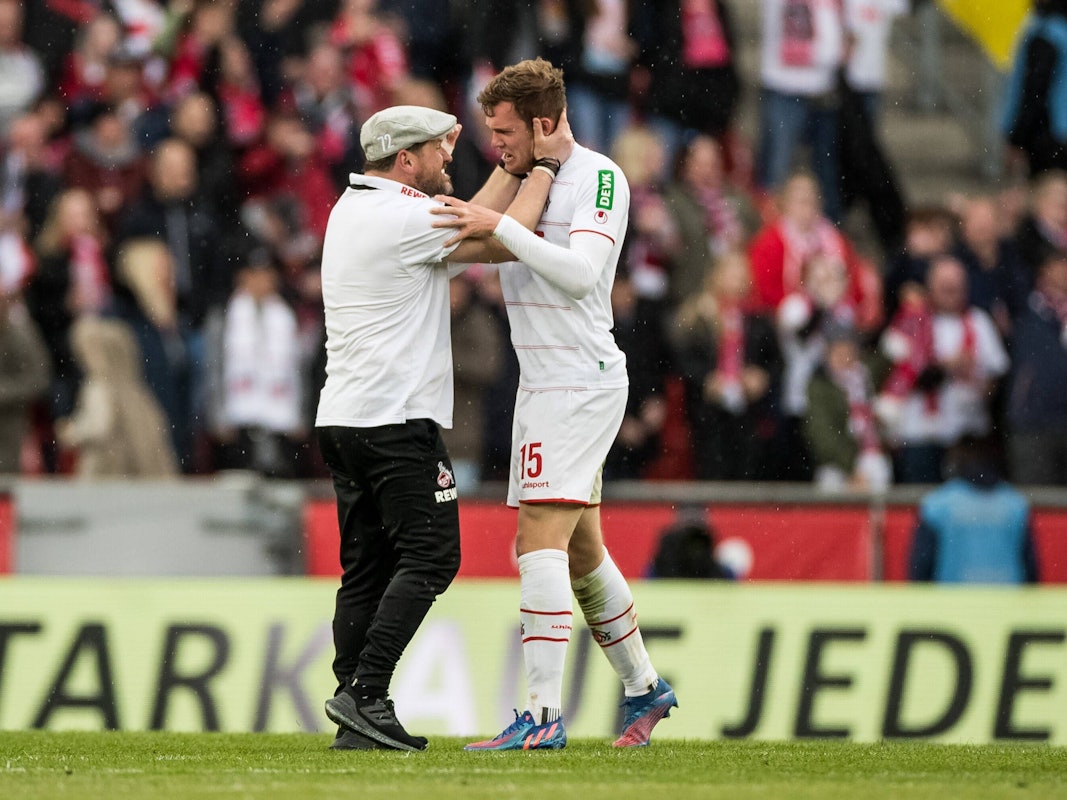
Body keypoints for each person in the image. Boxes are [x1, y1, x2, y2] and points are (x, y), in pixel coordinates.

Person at [433, 58, 678, 751]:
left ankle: (541, 716)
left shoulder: (599, 175)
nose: (496, 145)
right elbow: (462, 247)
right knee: (580, 552)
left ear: (544, 123)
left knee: (534, 541)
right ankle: (644, 686)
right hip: (545, 382)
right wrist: (504, 197)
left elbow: (583, 273)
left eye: (505, 133)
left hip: (579, 377)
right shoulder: (523, 180)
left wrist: (504, 227)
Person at [316, 102, 570, 752]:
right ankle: (365, 692)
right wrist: (538, 167)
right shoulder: (403, 218)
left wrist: (505, 170)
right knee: (432, 556)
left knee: (367, 568)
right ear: (406, 160)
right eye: (437, 151)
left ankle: (356, 709)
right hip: (394, 420)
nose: (447, 159)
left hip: (345, 417)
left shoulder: (359, 208)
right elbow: (499, 239)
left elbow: (466, 217)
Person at [909, 435, 1039, 583]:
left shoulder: (937, 505)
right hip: (1007, 601)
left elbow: (920, 568)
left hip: (952, 602)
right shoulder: (1016, 505)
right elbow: (1031, 568)